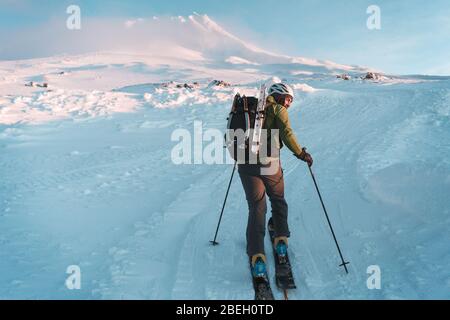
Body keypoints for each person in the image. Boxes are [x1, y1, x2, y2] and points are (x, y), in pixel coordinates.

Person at [238, 83, 313, 278]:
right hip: (269, 162)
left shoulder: (250, 109)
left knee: (256, 206)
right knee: (277, 199)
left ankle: (257, 256)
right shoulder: (277, 109)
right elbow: (287, 133)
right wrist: (301, 154)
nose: (288, 103)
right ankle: (280, 240)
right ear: (278, 96)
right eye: (288, 99)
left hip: (245, 163)